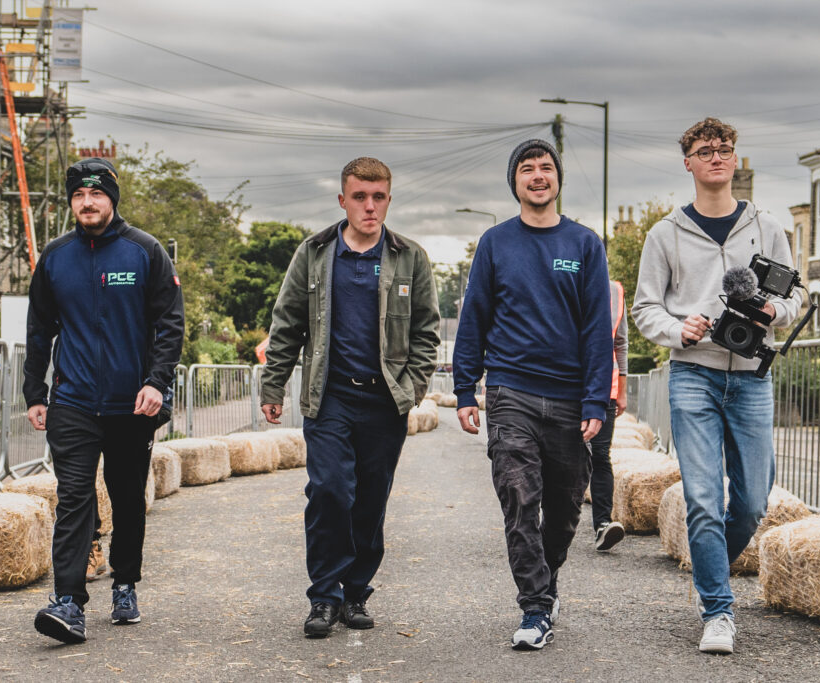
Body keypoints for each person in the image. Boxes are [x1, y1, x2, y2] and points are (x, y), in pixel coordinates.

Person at [632, 118, 801, 655]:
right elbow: (644, 309)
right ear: (688, 162)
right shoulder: (665, 234)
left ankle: (710, 572)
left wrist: (775, 309)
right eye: (705, 151)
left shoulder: (767, 226)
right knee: (703, 499)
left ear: (734, 158)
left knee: (751, 503)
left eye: (725, 149)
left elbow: (796, 297)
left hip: (751, 378)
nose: (717, 157)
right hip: (693, 375)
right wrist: (676, 328)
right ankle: (717, 611)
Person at [259, 157, 440, 639]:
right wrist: (273, 386)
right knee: (330, 492)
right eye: (359, 196)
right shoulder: (314, 253)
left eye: (378, 197)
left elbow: (427, 331)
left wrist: (413, 385)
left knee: (370, 499)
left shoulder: (410, 258)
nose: (369, 206)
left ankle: (356, 591)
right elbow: (286, 323)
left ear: (388, 199)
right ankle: (324, 596)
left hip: (384, 402)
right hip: (330, 396)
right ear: (342, 200)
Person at [453, 140, 613, 650]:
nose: (538, 175)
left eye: (546, 167)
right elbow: (473, 317)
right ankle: (535, 608)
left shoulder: (585, 244)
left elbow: (596, 329)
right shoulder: (496, 243)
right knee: (519, 499)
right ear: (515, 182)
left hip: (569, 398)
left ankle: (547, 579)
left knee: (565, 508)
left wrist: (595, 399)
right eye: (527, 169)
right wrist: (464, 390)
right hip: (511, 391)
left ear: (558, 179)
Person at [24, 157, 184, 644]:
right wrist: (36, 391)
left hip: (131, 404)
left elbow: (169, 324)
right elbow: (39, 329)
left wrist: (157, 382)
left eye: (96, 195)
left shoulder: (145, 251)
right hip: (72, 402)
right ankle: (68, 600)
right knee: (74, 497)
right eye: (78, 196)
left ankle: (126, 583)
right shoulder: (54, 257)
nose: (87, 203)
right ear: (71, 201)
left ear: (112, 199)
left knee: (127, 498)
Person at [589, 278, 628, 551]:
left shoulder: (615, 291)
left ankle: (603, 524)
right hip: (565, 385)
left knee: (601, 455)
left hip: (606, 387)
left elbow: (621, 343)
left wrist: (622, 390)